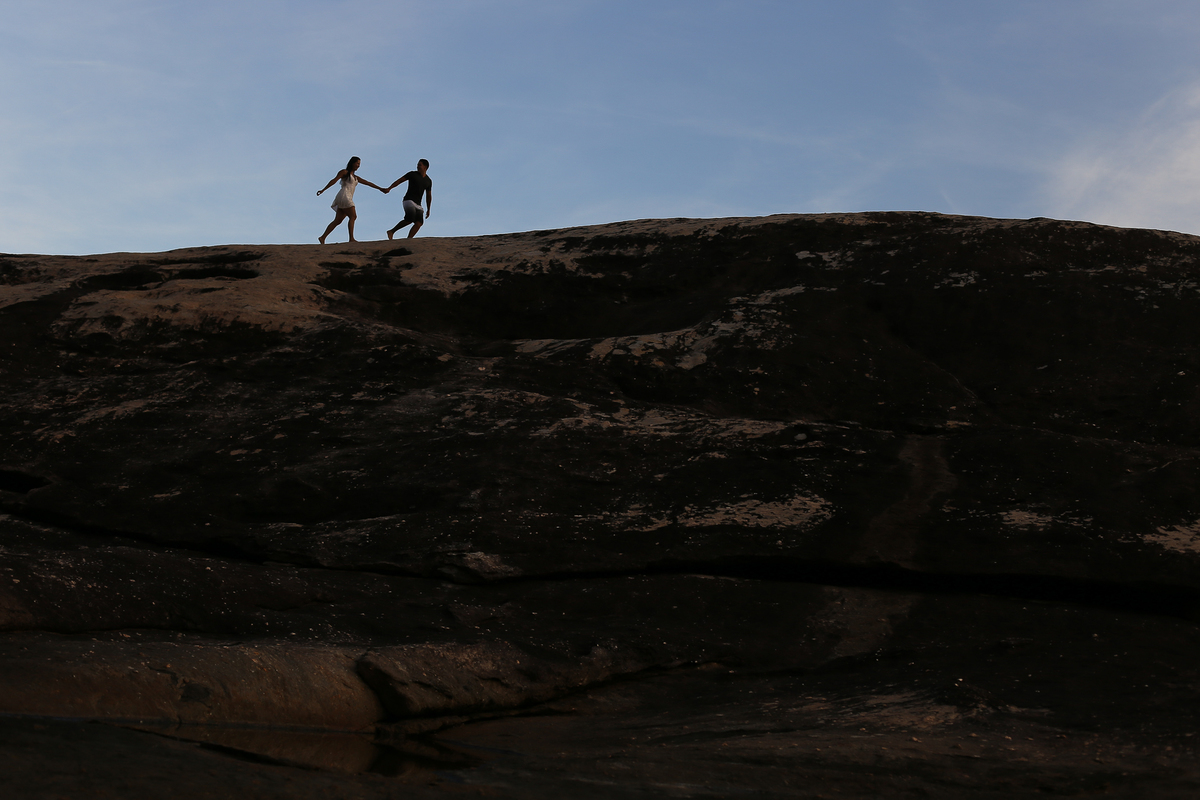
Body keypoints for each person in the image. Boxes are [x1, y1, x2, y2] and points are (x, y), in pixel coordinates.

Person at [316, 156, 386, 243]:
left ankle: (322, 237)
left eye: (359, 164)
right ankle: (351, 238)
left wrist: (380, 188)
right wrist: (323, 190)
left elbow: (368, 183)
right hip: (345, 196)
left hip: (344, 197)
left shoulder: (356, 177)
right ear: (352, 163)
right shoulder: (344, 172)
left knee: (338, 220)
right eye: (357, 163)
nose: (358, 165)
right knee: (353, 216)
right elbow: (334, 180)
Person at [385, 159, 432, 239]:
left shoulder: (428, 181)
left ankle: (409, 239)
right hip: (409, 200)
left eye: (420, 165)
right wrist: (390, 188)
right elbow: (400, 180)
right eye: (417, 165)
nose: (417, 166)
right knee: (409, 219)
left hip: (418, 204)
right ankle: (392, 231)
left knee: (419, 223)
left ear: (425, 167)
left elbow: (428, 195)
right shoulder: (412, 174)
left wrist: (428, 209)